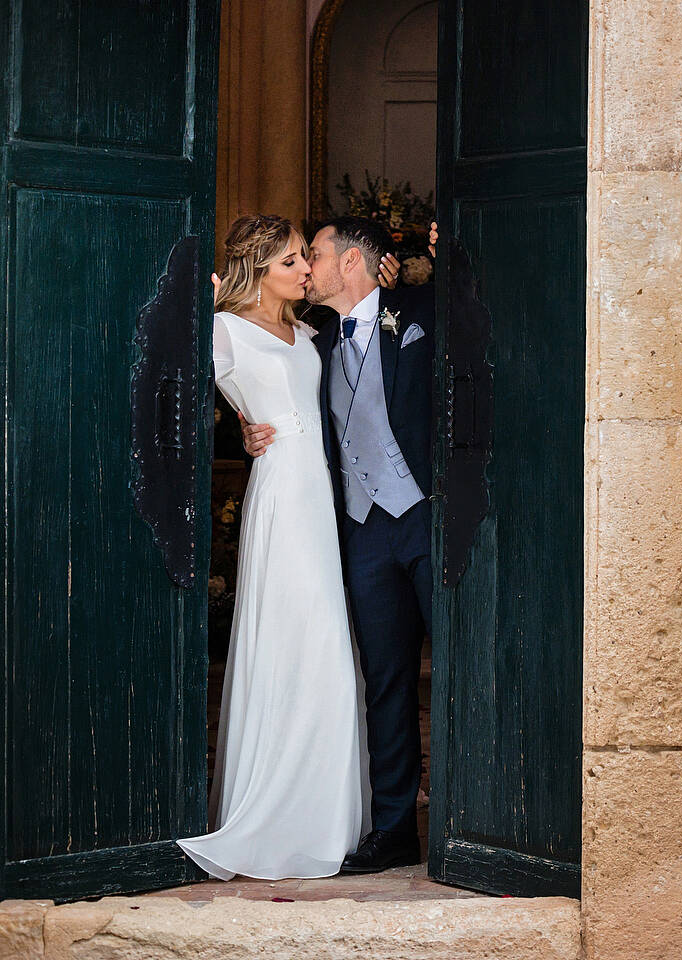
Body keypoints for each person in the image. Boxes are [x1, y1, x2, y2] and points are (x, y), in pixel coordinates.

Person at [242, 217, 439, 874]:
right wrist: (249, 429)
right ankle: (393, 833)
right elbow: (266, 380)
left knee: (462, 674)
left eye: (315, 256)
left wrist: (451, 256)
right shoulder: (310, 339)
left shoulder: (420, 310)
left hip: (428, 520)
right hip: (360, 532)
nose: (306, 268)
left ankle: (472, 822)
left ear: (352, 262)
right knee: (384, 683)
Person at [177, 214, 370, 880]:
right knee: (297, 635)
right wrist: (239, 430)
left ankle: (326, 814)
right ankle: (274, 815)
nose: (304, 270)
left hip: (328, 494)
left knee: (328, 647)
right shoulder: (224, 331)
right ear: (258, 268)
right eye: (291, 261)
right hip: (285, 495)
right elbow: (163, 387)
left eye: (302, 258)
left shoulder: (311, 331)